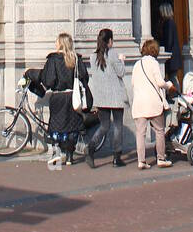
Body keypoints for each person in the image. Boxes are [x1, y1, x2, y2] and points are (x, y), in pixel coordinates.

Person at [40, 32, 89, 170]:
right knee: (72, 126)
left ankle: (58, 153)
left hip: (58, 97)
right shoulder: (76, 59)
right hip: (73, 97)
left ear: (60, 43)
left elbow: (48, 80)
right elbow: (84, 76)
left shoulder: (53, 59)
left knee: (57, 126)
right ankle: (69, 156)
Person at [131, 38, 173, 169]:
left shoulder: (137, 64)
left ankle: (141, 161)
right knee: (160, 131)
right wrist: (169, 85)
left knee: (140, 133)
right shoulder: (153, 63)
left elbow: (133, 83)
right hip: (153, 102)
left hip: (139, 103)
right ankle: (161, 158)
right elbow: (160, 82)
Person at [87, 28, 127, 167]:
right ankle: (116, 157)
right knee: (117, 126)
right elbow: (121, 72)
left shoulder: (93, 57)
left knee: (104, 126)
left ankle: (91, 148)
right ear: (110, 40)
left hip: (101, 97)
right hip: (115, 96)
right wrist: (122, 60)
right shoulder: (113, 53)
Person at [158, 3, 183, 87]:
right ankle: (174, 95)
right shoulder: (170, 22)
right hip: (173, 56)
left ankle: (177, 95)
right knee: (172, 77)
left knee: (173, 77)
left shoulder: (169, 23)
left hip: (171, 57)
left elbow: (169, 40)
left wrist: (164, 52)